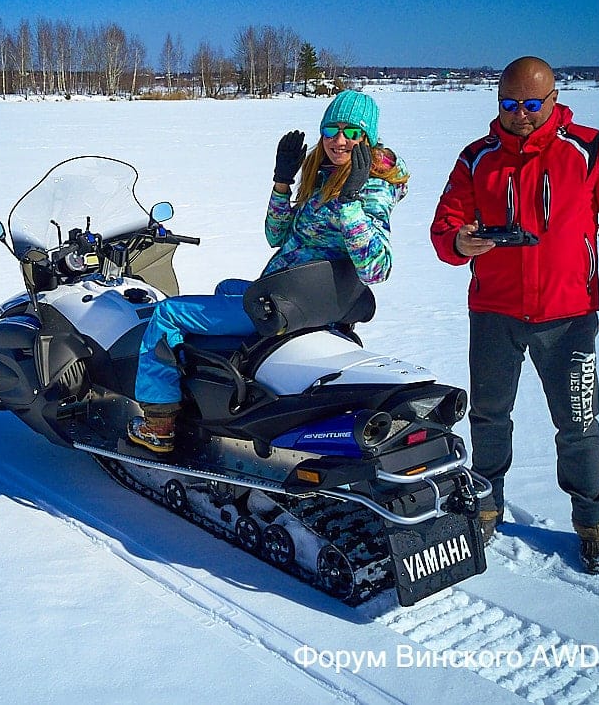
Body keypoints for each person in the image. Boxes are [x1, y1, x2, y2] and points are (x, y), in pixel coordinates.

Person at [430, 56, 599, 574]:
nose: (521, 116)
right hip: (494, 314)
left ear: (554, 99)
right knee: (488, 417)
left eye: (532, 105)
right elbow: (447, 224)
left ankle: (594, 525)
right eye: (510, 105)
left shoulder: (592, 150)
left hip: (568, 317)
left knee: (578, 425)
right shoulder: (476, 158)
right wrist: (460, 241)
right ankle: (485, 507)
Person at [129, 89, 409, 453]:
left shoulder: (370, 189)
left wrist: (351, 203)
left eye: (352, 132)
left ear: (367, 138)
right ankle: (223, 385)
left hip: (294, 305)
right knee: (226, 286)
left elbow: (376, 268)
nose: (339, 140)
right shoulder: (324, 174)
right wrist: (282, 183)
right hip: (294, 296)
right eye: (332, 129)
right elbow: (276, 235)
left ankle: (159, 423)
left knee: (166, 315)